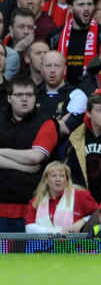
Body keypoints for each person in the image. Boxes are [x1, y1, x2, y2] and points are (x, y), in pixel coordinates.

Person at [0, 76, 57, 231]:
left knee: (28, 255)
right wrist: (23, 167)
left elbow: (35, 157)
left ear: (35, 98)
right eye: (19, 95)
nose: (24, 99)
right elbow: (29, 162)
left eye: (29, 95)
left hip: (32, 207)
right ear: (9, 98)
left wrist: (2, 152)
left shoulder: (47, 123)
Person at [23, 161, 99, 234]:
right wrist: (55, 232)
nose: (58, 179)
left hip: (75, 245)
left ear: (66, 180)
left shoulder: (80, 195)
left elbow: (99, 215)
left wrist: (83, 221)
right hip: (44, 246)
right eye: (53, 176)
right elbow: (29, 227)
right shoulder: (36, 201)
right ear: (46, 180)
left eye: (62, 176)